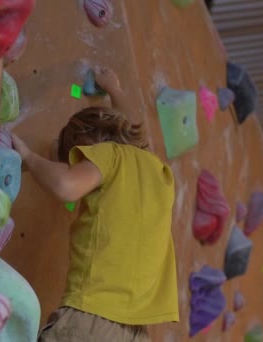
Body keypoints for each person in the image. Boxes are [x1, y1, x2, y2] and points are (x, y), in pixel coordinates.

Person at [11, 67, 179, 342]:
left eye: (79, 158)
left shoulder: (110, 155)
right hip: (137, 333)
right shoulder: (159, 173)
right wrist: (114, 89)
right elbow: (136, 128)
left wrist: (29, 157)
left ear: (89, 145)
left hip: (93, 320)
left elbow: (66, 186)